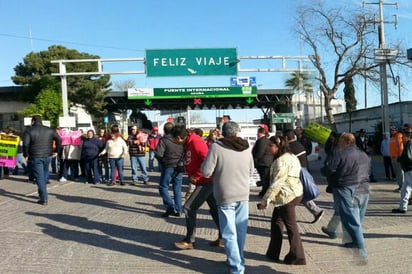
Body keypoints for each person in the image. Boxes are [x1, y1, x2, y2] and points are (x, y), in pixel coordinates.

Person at [201, 121, 254, 274]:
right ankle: (239, 259)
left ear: (223, 133)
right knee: (240, 231)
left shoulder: (216, 147)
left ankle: (237, 267)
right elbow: (251, 171)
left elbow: (206, 171)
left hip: (225, 195)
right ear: (237, 133)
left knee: (228, 233)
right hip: (243, 194)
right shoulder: (246, 148)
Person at [257, 135, 306, 265]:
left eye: (271, 145)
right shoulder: (291, 156)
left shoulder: (281, 161)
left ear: (279, 146)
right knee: (276, 223)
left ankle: (298, 257)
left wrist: (265, 201)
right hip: (292, 193)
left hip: (287, 196)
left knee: (291, 227)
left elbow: (276, 184)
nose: (268, 148)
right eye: (268, 145)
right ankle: (273, 252)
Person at [172, 126, 223, 250]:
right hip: (203, 181)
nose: (173, 142)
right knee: (215, 210)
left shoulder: (196, 142)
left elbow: (208, 161)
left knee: (189, 207)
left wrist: (197, 176)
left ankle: (190, 240)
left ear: (179, 138)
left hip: (206, 181)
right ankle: (223, 236)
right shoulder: (188, 143)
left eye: (174, 140)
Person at [321, 133, 368, 264]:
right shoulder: (360, 152)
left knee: (351, 220)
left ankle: (362, 252)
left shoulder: (340, 153)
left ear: (347, 141)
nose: (338, 142)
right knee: (355, 218)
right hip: (362, 187)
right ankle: (353, 241)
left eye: (340, 140)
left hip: (345, 187)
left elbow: (330, 169)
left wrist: (323, 170)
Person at [283, 129, 324, 224]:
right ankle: (316, 211)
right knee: (301, 194)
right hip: (304, 171)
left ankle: (315, 211)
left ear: (286, 138)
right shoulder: (299, 145)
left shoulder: (289, 148)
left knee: (296, 195)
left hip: (296, 174)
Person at [23, 115, 61, 205]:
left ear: (33, 121)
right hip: (48, 156)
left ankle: (43, 198)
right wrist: (57, 151)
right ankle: (42, 194)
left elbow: (25, 144)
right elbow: (59, 139)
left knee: (39, 177)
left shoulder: (29, 130)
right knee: (43, 175)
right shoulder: (49, 130)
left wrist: (26, 155)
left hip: (35, 156)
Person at [155, 122, 184, 217]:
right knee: (177, 189)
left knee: (163, 187)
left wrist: (162, 162)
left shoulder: (164, 140)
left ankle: (170, 207)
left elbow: (159, 154)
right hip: (179, 166)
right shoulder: (179, 139)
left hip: (168, 166)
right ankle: (179, 209)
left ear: (164, 130)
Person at [392, 127, 412, 213]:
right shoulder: (408, 144)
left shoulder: (409, 144)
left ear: (408, 136)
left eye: (404, 136)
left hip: (410, 170)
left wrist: (400, 158)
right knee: (404, 190)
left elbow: (408, 157)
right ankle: (402, 208)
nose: (402, 138)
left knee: (406, 189)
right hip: (408, 171)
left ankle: (402, 207)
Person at [252, 124, 273, 198]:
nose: (257, 133)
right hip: (264, 163)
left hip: (263, 163)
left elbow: (260, 152)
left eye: (259, 131)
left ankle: (265, 193)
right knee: (264, 178)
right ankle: (264, 192)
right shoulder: (263, 140)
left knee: (265, 178)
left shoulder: (262, 141)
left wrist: (255, 159)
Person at [389, 126, 404, 192]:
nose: (392, 131)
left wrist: (399, 156)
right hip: (393, 157)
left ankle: (403, 187)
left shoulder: (399, 136)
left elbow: (400, 147)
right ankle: (400, 186)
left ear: (396, 130)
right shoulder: (392, 137)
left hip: (398, 157)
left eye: (393, 130)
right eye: (391, 130)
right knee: (397, 173)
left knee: (400, 172)